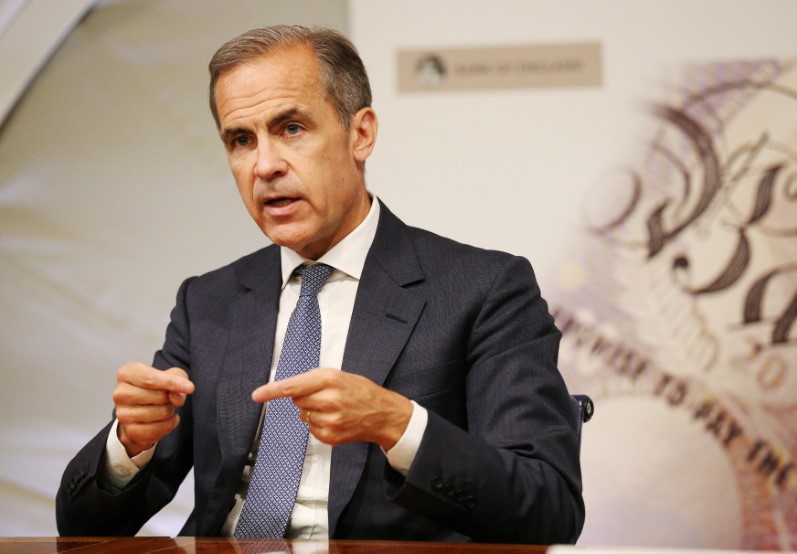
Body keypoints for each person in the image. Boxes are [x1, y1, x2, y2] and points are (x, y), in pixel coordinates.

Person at [56, 25, 584, 544]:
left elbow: (549, 507)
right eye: (241, 140)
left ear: (361, 133)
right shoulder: (208, 301)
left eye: (291, 128)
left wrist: (398, 424)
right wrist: (129, 443)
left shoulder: (483, 289)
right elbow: (81, 528)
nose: (264, 166)